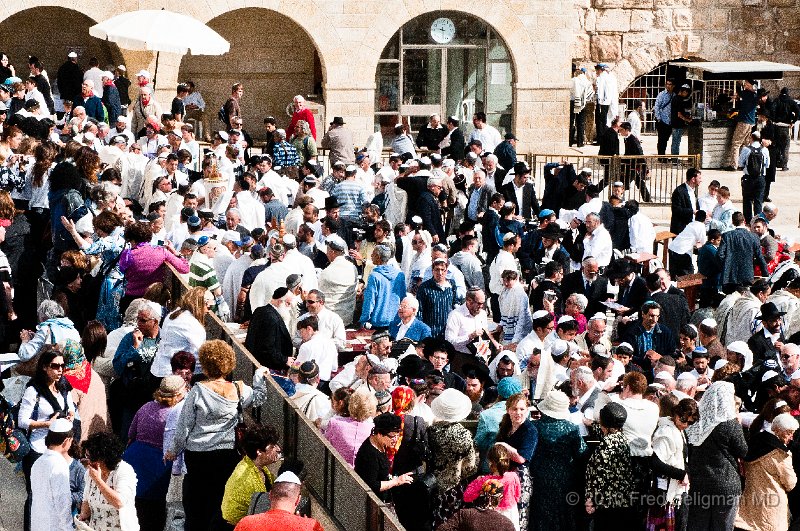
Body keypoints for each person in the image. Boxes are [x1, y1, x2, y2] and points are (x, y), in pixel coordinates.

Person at [165, 340, 270, 531]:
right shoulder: (239, 390)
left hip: (197, 455)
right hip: (227, 454)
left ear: (204, 364)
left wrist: (173, 451)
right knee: (219, 503)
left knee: (195, 505)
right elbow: (259, 398)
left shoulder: (197, 391)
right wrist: (258, 376)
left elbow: (184, 426)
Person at [18, 347, 79, 531]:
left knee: (57, 493)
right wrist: (47, 424)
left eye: (63, 366)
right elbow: (22, 420)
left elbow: (71, 407)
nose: (60, 370)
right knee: (35, 494)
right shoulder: (33, 390)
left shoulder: (64, 386)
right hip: (38, 448)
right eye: (55, 366)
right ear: (45, 367)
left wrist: (70, 414)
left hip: (60, 448)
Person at [123, 375, 186, 531]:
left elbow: (131, 434)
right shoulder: (177, 413)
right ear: (177, 394)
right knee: (153, 515)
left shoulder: (146, 407)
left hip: (134, 459)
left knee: (132, 511)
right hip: (157, 466)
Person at [685, 381, 748, 531]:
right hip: (726, 484)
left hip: (699, 482)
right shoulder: (730, 424)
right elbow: (743, 451)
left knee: (698, 525)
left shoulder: (697, 422)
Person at [529, 390, 587, 531]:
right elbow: (581, 453)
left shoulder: (535, 427)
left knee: (541, 512)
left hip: (539, 475)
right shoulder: (571, 429)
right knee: (563, 512)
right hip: (564, 476)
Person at [427, 388, 478, 527]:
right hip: (454, 487)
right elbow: (470, 467)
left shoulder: (432, 430)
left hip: (433, 484)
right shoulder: (464, 435)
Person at [584, 402, 636, 531]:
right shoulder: (622, 438)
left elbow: (596, 475)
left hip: (606, 504)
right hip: (623, 500)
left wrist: (590, 499)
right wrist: (592, 424)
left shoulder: (605, 446)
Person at [221, 422, 282, 527]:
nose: (278, 449)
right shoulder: (248, 479)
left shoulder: (254, 466)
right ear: (259, 452)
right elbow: (264, 512)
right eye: (272, 447)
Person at [78, 431, 139, 530]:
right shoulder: (90, 473)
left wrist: (98, 480)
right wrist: (82, 517)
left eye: (89, 457)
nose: (86, 461)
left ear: (102, 458)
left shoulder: (124, 470)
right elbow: (86, 501)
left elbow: (119, 502)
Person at [495, 393, 537, 529]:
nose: (518, 413)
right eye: (514, 409)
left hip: (520, 477)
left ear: (527, 410)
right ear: (508, 410)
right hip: (504, 474)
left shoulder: (530, 430)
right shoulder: (505, 426)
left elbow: (521, 458)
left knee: (519, 515)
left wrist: (505, 447)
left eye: (521, 409)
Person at [233, 471, 324, 531]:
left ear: (270, 495)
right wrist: (304, 523)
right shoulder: (310, 526)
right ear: (298, 500)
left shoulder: (245, 523)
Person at [354, 412, 414, 501]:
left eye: (398, 435)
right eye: (392, 436)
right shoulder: (369, 455)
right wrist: (396, 482)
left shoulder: (381, 443)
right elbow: (371, 486)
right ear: (379, 434)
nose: (396, 439)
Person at [150, 287, 209, 377]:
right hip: (172, 374)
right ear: (201, 304)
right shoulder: (192, 323)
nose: (208, 311)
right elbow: (200, 354)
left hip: (158, 368)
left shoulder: (174, 313)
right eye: (209, 306)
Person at [30, 417, 75, 531]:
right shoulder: (59, 464)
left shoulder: (38, 462)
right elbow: (62, 501)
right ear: (66, 441)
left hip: (37, 523)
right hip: (53, 525)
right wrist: (68, 528)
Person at [324, 389, 377, 467]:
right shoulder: (373, 429)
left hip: (335, 468)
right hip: (360, 472)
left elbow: (325, 442)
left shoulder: (335, 422)